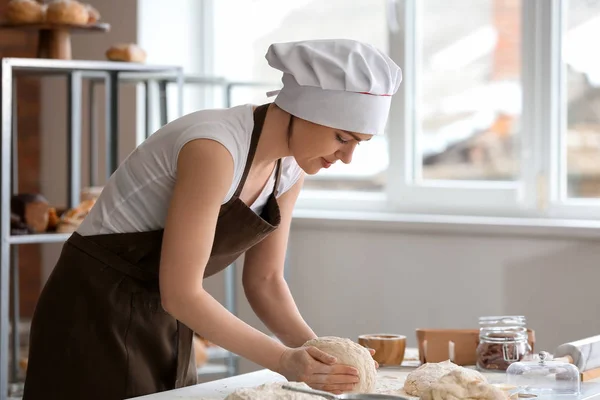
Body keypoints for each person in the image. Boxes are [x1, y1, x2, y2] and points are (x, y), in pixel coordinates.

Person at [22, 38, 402, 399]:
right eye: (342, 137)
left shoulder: (289, 169)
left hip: (167, 319)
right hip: (94, 313)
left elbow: (265, 281)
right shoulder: (214, 148)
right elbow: (182, 293)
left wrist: (319, 354)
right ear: (305, 110)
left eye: (359, 143)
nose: (348, 157)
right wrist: (284, 360)